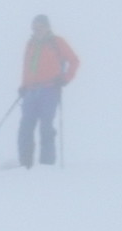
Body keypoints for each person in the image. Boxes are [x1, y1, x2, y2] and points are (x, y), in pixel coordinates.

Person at [16, 14, 79, 168]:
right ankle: (25, 164)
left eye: (40, 27)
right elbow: (27, 66)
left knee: (46, 127)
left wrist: (65, 78)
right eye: (34, 28)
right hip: (30, 91)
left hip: (49, 89)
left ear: (47, 27)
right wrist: (23, 85)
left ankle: (46, 164)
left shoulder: (56, 42)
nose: (36, 31)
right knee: (25, 128)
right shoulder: (30, 44)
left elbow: (74, 61)